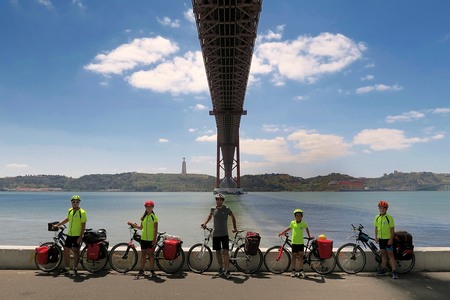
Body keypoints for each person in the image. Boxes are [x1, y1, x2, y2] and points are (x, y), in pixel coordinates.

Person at [201, 193, 237, 279]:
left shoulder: (227, 209)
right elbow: (210, 216)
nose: (218, 201)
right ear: (216, 200)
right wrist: (204, 223)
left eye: (220, 199)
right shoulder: (212, 209)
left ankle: (227, 270)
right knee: (217, 252)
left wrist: (234, 227)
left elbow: (233, 217)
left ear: (223, 201)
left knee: (225, 252)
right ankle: (221, 268)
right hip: (216, 234)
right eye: (217, 199)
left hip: (224, 233)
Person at [53, 195, 87, 275]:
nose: (75, 203)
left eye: (77, 202)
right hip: (69, 235)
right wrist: (58, 225)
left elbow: (83, 225)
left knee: (76, 252)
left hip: (77, 235)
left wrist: (80, 237)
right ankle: (67, 268)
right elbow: (67, 219)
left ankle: (75, 268)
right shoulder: (70, 211)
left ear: (79, 203)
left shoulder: (82, 212)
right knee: (66, 251)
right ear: (71, 202)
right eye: (73, 201)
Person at [279, 208, 314, 278]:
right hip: (294, 242)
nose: (298, 217)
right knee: (294, 257)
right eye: (297, 215)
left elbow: (307, 228)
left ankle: (301, 271)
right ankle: (293, 271)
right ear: (295, 216)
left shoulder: (303, 223)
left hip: (300, 243)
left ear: (302, 216)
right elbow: (289, 228)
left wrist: (309, 236)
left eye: (299, 215)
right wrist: (282, 232)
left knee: (301, 257)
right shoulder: (292, 223)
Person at [127, 200, 158, 277]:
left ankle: (152, 270)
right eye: (147, 206)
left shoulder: (154, 217)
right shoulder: (143, 217)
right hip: (143, 239)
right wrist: (132, 224)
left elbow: (156, 230)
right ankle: (142, 270)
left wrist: (154, 240)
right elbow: (141, 228)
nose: (149, 208)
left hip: (151, 239)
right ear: (145, 207)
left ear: (152, 207)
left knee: (151, 255)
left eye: (150, 206)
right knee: (143, 255)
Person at [374, 200, 398, 279]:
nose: (382, 209)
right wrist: (376, 237)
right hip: (381, 239)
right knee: (383, 254)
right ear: (379, 208)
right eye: (380, 208)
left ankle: (394, 272)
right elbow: (376, 228)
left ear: (386, 209)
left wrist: (391, 239)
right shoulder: (377, 217)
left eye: (384, 208)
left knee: (391, 255)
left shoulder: (389, 218)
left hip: (388, 239)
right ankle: (384, 270)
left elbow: (392, 229)